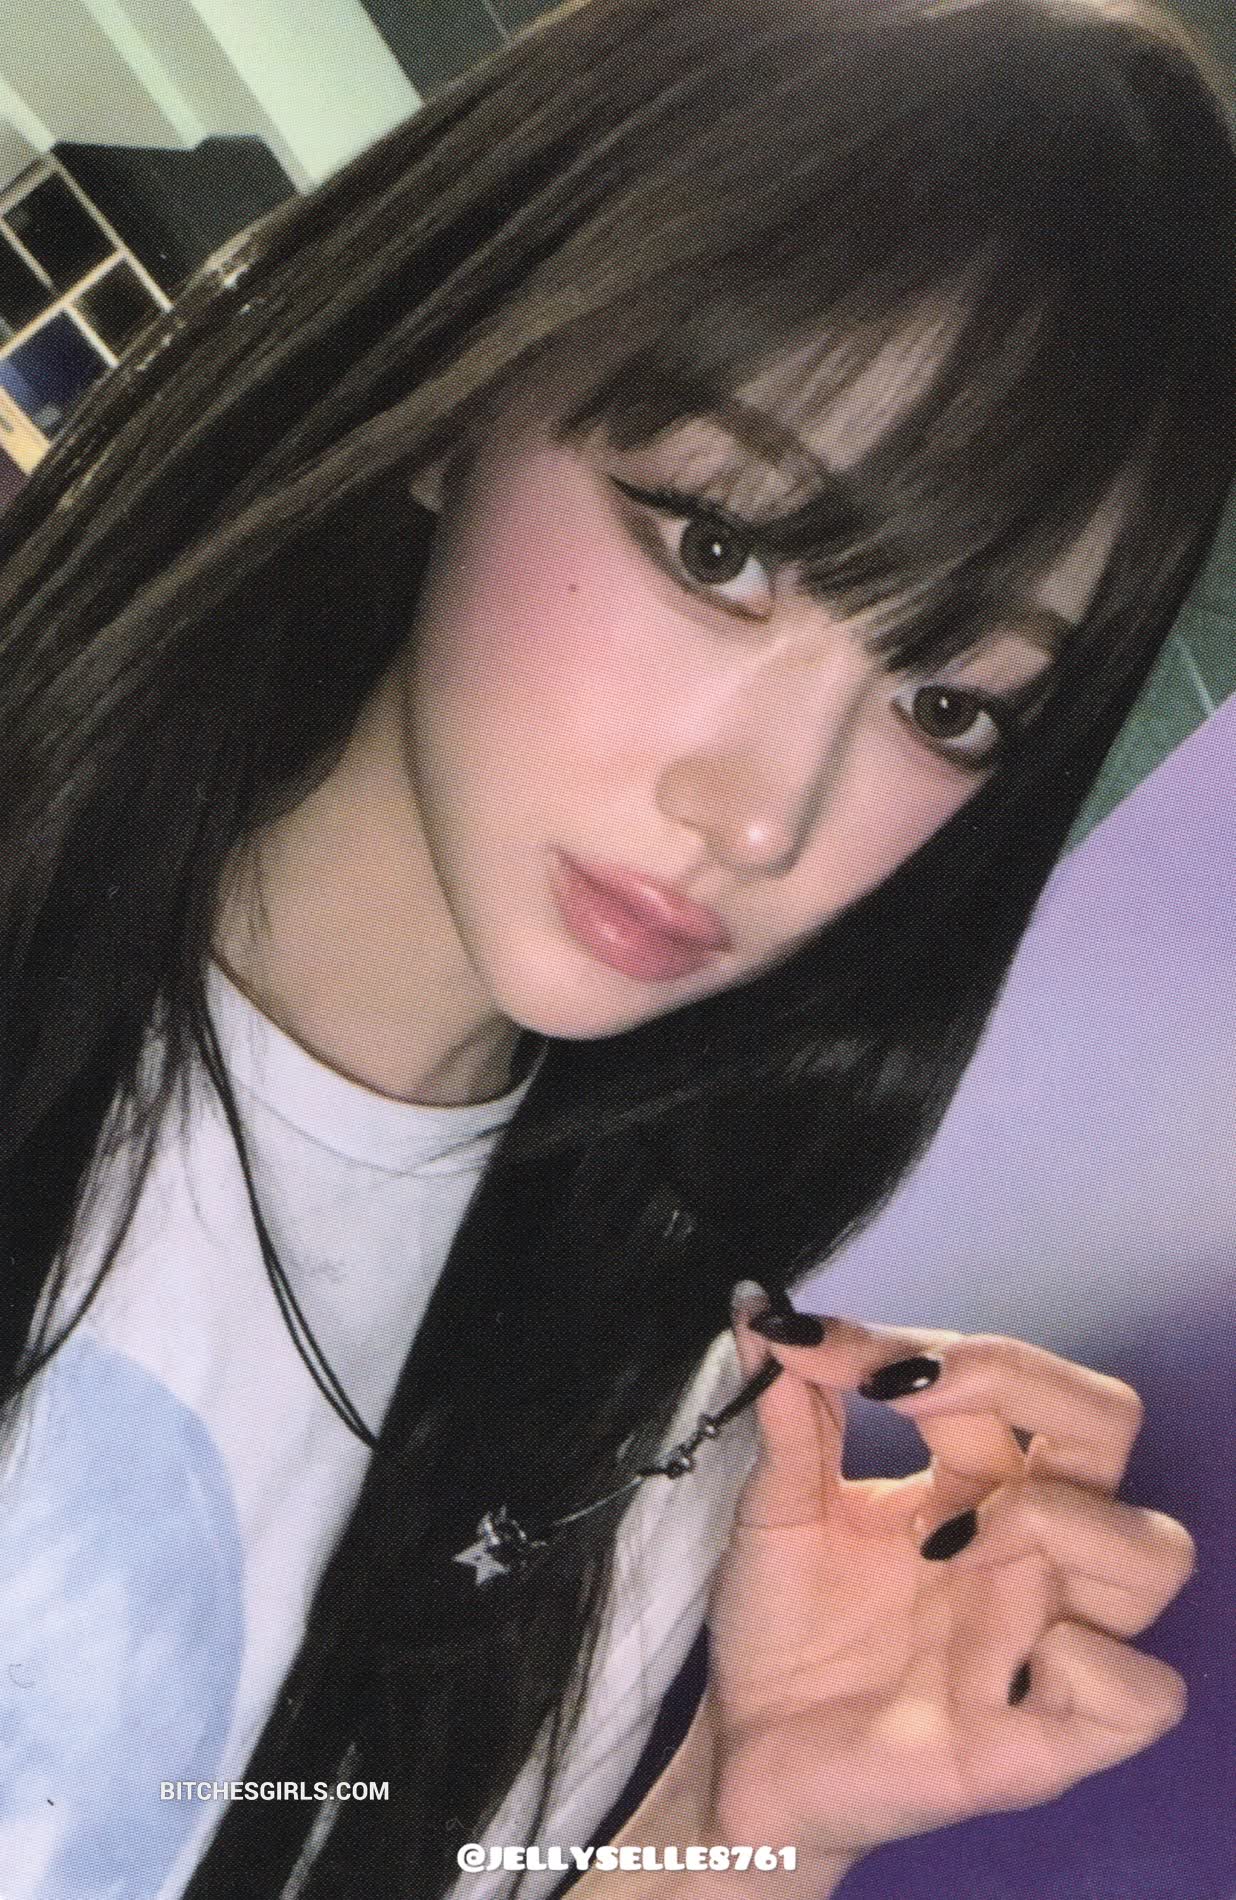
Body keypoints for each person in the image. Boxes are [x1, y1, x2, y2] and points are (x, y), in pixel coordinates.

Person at [0, 1, 1233, 1896]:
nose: (764, 816)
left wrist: (741, 1819)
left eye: (948, 702)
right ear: (467, 387)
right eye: (720, 546)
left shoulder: (640, 1438)